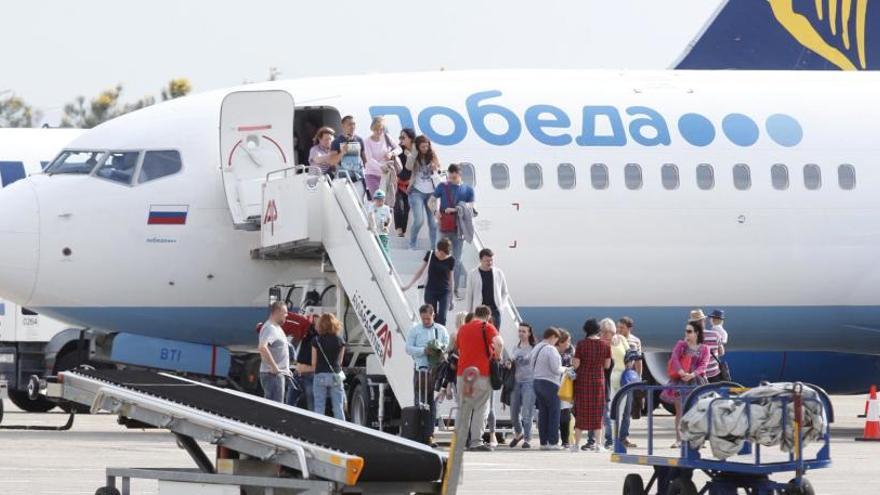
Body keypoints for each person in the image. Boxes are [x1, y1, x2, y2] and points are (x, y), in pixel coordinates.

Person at [454, 305, 503, 451]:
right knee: (481, 407)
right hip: (481, 373)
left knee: (464, 408)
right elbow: (499, 343)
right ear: (488, 316)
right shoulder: (486, 327)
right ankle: (476, 442)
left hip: (463, 374)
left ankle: (460, 442)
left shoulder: (463, 329)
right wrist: (497, 356)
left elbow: (459, 348)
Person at [405, 304, 450, 447]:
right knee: (419, 402)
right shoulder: (415, 330)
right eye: (423, 319)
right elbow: (408, 348)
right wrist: (423, 351)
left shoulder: (441, 330)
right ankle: (418, 435)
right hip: (421, 370)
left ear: (433, 315)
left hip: (436, 371)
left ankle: (430, 435)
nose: (425, 321)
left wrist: (440, 351)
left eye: (428, 318)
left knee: (432, 404)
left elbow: (448, 346)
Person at [662, 319, 710, 448]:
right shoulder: (681, 345)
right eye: (686, 331)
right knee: (680, 411)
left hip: (696, 382)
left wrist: (692, 374)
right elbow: (675, 358)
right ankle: (679, 440)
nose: (687, 334)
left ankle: (697, 439)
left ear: (697, 333)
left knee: (697, 411)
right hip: (680, 381)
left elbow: (703, 365)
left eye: (689, 331)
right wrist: (681, 372)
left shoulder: (705, 348)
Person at [433, 163, 475, 295]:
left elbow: (471, 208)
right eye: (449, 178)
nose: (451, 180)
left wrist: (456, 209)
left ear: (459, 174)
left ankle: (453, 289)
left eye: (454, 178)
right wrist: (435, 212)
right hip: (444, 227)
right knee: (439, 257)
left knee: (456, 260)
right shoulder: (442, 186)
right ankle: (440, 286)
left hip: (459, 230)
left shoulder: (468, 190)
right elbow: (431, 201)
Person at [572, 318, 611, 452]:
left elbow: (575, 364)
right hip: (598, 382)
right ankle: (599, 445)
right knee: (597, 413)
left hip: (583, 382)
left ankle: (576, 445)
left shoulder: (581, 344)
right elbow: (607, 365)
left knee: (581, 412)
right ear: (598, 330)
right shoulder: (605, 345)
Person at [402, 238, 455, 325]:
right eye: (441, 254)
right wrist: (408, 285)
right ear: (438, 250)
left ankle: (441, 338)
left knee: (442, 317)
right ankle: (432, 337)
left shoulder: (451, 260)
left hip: (444, 291)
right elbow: (420, 271)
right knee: (431, 317)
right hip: (430, 290)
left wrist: (451, 298)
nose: (443, 256)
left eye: (445, 255)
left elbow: (451, 279)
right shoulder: (430, 254)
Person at [530, 327, 565, 450]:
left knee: (543, 413)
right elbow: (556, 369)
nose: (556, 342)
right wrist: (566, 369)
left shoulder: (536, 347)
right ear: (553, 337)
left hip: (537, 382)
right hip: (550, 383)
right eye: (557, 339)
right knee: (554, 413)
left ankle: (543, 442)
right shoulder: (551, 349)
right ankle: (553, 442)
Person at [406, 135, 440, 250]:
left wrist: (435, 167)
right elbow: (408, 167)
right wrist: (414, 153)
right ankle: (412, 243)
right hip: (417, 192)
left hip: (431, 193)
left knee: (433, 223)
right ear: (417, 147)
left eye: (427, 146)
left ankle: (433, 248)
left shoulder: (432, 154)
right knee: (419, 220)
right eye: (422, 147)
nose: (425, 148)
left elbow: (438, 168)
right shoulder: (414, 156)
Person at [312, 314, 347, 420]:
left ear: (320, 325)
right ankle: (341, 431)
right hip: (335, 375)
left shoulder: (316, 341)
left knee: (319, 407)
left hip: (320, 375)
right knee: (338, 407)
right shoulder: (340, 341)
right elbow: (340, 362)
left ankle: (319, 431)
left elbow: (314, 363)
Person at [463, 248, 510, 327]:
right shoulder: (472, 274)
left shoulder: (498, 273)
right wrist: (469, 313)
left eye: (491, 260)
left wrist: (501, 306)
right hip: (479, 311)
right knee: (479, 335)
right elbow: (469, 294)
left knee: (494, 336)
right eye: (487, 260)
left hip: (494, 311)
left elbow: (505, 292)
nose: (490, 263)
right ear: (480, 260)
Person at [507, 322, 536, 449]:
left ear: (529, 333)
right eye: (519, 331)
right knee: (513, 413)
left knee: (526, 412)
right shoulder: (515, 348)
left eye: (524, 331)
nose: (521, 333)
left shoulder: (533, 348)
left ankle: (528, 438)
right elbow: (511, 363)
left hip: (529, 383)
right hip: (516, 383)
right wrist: (508, 364)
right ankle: (518, 433)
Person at [605, 318, 631, 448]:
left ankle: (617, 439)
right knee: (609, 411)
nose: (608, 334)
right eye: (605, 331)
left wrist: (629, 368)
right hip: (608, 380)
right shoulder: (602, 342)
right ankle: (610, 439)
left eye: (610, 331)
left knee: (620, 412)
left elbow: (629, 356)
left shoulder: (622, 340)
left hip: (622, 379)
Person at [615, 317, 641, 447]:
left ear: (629, 328)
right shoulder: (614, 340)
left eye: (622, 328)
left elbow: (638, 360)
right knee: (614, 409)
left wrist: (638, 378)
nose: (619, 330)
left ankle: (623, 437)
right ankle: (612, 437)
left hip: (627, 379)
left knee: (627, 410)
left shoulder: (635, 341)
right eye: (618, 327)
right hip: (615, 377)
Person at [258, 302, 291, 402]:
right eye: (285, 312)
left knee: (276, 407)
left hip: (277, 373)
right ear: (277, 312)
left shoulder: (277, 328)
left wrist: (286, 369)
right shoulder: (270, 328)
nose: (287, 315)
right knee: (275, 408)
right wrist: (274, 367)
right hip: (272, 374)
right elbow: (262, 347)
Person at [363, 116, 402, 200]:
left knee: (389, 201)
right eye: (376, 129)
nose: (379, 131)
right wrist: (381, 167)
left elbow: (399, 149)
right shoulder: (367, 141)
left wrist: (391, 153)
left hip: (387, 175)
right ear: (372, 128)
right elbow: (369, 160)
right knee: (378, 200)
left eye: (381, 129)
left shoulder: (387, 137)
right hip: (372, 174)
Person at [330, 115, 368, 199]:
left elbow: (364, 160)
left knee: (360, 205)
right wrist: (342, 152)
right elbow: (332, 162)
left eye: (354, 124)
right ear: (343, 126)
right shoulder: (336, 142)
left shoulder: (359, 139)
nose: (352, 126)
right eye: (350, 124)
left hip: (358, 180)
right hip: (344, 181)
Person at [394, 128, 416, 237]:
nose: (401, 139)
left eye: (403, 137)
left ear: (411, 138)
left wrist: (410, 156)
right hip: (399, 182)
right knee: (398, 205)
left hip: (411, 183)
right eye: (400, 137)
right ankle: (398, 229)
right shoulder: (399, 150)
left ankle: (403, 230)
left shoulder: (416, 151)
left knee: (407, 207)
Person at [556, 328, 575, 449]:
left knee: (565, 414)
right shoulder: (552, 351)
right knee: (554, 413)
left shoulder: (570, 350)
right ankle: (553, 438)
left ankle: (565, 440)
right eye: (567, 341)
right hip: (554, 383)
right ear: (561, 342)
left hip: (566, 384)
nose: (569, 344)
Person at [294, 320, 317, 411]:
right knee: (290, 401)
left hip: (309, 374)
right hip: (298, 373)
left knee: (311, 402)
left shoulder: (316, 340)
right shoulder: (304, 338)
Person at [704, 309, 729, 383]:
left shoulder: (715, 331)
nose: (711, 320)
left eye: (712, 318)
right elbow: (721, 351)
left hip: (708, 368)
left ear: (716, 319)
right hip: (714, 367)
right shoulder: (723, 332)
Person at [366, 189, 392, 256]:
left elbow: (389, 218)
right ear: (374, 199)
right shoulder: (372, 206)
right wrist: (373, 225)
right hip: (374, 233)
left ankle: (387, 263)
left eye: (381, 199)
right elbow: (371, 215)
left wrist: (387, 226)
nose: (380, 201)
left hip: (383, 233)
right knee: (374, 250)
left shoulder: (386, 208)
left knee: (384, 249)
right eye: (378, 199)